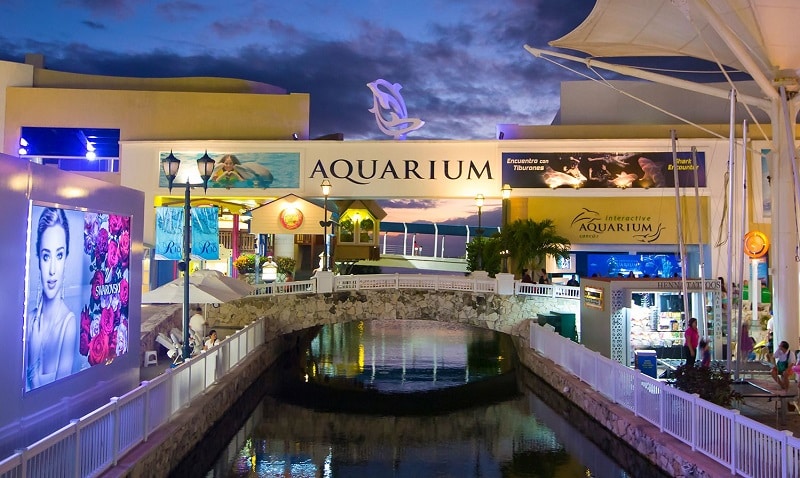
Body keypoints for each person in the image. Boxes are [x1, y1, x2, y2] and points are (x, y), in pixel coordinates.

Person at [26, 207, 77, 390]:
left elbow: (58, 394)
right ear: (38, 258)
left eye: (59, 255)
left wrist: (33, 359)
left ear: (66, 259)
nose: (53, 270)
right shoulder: (28, 321)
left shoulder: (68, 324)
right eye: (47, 256)